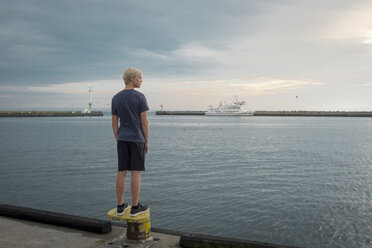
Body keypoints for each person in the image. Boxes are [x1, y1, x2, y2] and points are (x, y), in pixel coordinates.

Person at [111, 67, 149, 217]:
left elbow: (114, 123)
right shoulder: (140, 97)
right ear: (132, 78)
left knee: (121, 172)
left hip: (122, 139)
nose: (141, 80)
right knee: (135, 173)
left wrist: (118, 139)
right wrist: (147, 141)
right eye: (140, 77)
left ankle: (120, 206)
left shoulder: (116, 98)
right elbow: (144, 122)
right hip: (137, 139)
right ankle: (135, 207)